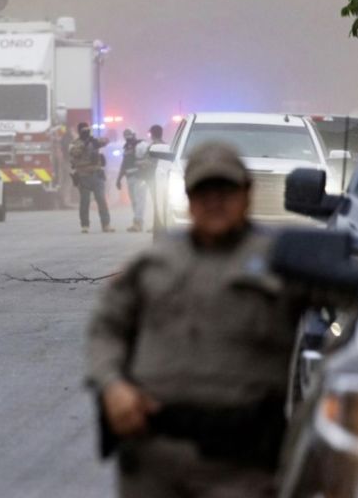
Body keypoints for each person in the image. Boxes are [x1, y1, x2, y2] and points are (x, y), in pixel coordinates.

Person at [86, 142, 339, 497]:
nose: (214, 200)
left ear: (247, 193)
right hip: (152, 462)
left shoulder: (284, 263)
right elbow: (106, 328)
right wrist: (112, 384)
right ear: (188, 197)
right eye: (203, 191)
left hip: (241, 467)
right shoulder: (153, 262)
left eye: (226, 190)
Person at [69, 122, 113, 233]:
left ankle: (106, 224)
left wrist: (95, 142)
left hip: (96, 175)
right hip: (83, 177)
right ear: (80, 131)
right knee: (85, 202)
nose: (86, 132)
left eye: (88, 130)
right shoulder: (75, 143)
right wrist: (84, 145)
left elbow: (106, 141)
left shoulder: (94, 141)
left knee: (101, 200)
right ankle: (85, 225)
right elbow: (74, 153)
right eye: (84, 130)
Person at [115, 129, 146, 233]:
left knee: (140, 200)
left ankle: (137, 222)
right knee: (134, 201)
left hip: (140, 177)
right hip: (130, 177)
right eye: (126, 136)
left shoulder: (141, 145)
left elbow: (147, 160)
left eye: (129, 135)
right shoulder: (126, 148)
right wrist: (119, 179)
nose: (128, 138)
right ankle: (138, 223)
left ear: (134, 135)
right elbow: (124, 164)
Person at [143, 125, 166, 232]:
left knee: (157, 203)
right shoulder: (166, 145)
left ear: (152, 134)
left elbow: (150, 162)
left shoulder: (152, 147)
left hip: (155, 179)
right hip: (164, 178)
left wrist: (141, 163)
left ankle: (158, 227)